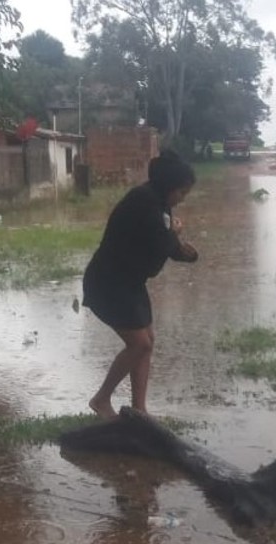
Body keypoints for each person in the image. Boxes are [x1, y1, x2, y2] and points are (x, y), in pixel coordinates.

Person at [83, 149, 199, 419]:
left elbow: (165, 245)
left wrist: (183, 249)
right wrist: (176, 237)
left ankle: (139, 410)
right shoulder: (144, 202)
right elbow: (163, 244)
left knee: (148, 341)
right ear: (170, 186)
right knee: (139, 345)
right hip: (109, 282)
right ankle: (101, 400)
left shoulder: (159, 202)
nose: (181, 200)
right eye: (181, 193)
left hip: (129, 281)